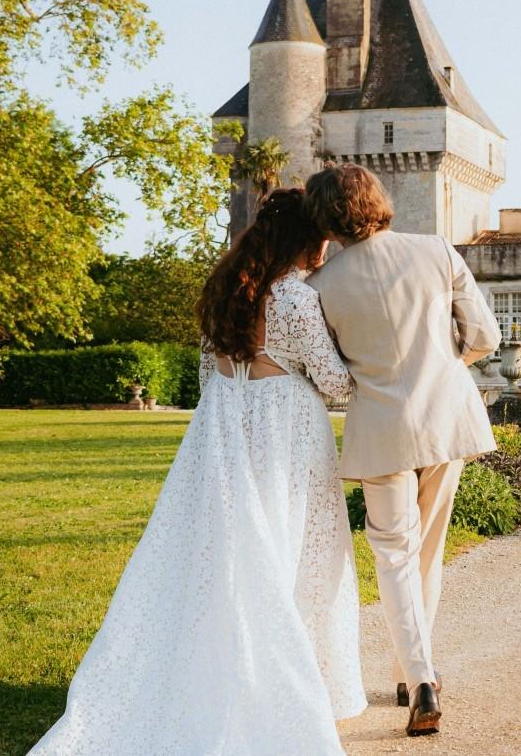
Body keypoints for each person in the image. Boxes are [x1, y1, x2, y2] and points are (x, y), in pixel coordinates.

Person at [27, 188, 364, 756]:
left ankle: (206, 662)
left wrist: (231, 416)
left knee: (221, 552)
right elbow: (335, 384)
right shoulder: (296, 299)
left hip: (220, 426)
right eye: (320, 242)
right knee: (298, 553)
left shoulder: (222, 292)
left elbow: (211, 374)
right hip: (285, 428)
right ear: (301, 242)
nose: (325, 252)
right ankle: (299, 686)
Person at [305, 163, 501, 737]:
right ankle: (411, 673)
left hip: (380, 427)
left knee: (392, 553)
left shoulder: (319, 287)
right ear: (378, 199)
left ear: (324, 218)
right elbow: (484, 337)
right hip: (446, 418)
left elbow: (330, 372)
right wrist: (444, 366)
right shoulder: (436, 250)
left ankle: (417, 677)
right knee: (428, 550)